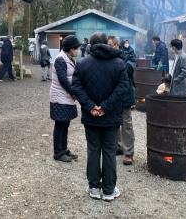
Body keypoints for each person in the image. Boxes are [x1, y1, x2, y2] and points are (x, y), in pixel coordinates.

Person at [71, 33, 129, 202]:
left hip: (91, 117)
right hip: (111, 116)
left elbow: (76, 87)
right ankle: (109, 190)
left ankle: (94, 187)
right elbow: (123, 87)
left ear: (91, 44)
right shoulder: (119, 63)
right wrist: (105, 107)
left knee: (93, 150)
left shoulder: (82, 63)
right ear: (106, 43)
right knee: (110, 152)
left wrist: (91, 107)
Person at [50, 35, 81, 162]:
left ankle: (64, 149)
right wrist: (73, 92)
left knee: (65, 124)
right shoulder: (60, 60)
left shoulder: (68, 58)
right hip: (60, 96)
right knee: (60, 125)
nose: (78, 51)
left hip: (66, 96)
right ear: (71, 49)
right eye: (77, 48)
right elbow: (63, 79)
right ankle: (58, 153)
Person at [116, 39, 136, 166]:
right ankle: (118, 147)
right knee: (114, 123)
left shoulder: (130, 56)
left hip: (125, 94)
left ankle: (128, 152)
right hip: (112, 95)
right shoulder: (110, 56)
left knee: (126, 123)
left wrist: (122, 57)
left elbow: (128, 69)